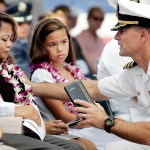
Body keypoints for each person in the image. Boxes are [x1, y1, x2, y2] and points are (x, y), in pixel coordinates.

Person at [27, 0, 150, 149]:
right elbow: (91, 89)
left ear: (143, 35)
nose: (116, 37)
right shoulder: (136, 72)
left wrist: (105, 121)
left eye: (122, 31)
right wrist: (30, 86)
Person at [0, 12, 86, 150]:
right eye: (4, 39)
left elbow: (28, 95)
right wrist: (22, 115)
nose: (10, 44)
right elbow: (5, 114)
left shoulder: (9, 67)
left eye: (11, 39)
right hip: (11, 130)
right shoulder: (41, 73)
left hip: (29, 128)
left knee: (77, 148)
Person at [30, 18, 96, 150]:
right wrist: (95, 120)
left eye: (64, 42)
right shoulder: (42, 74)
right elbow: (64, 116)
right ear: (42, 46)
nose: (60, 49)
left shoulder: (70, 69)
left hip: (86, 123)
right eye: (53, 44)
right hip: (67, 129)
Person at [76, 6, 106, 78]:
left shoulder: (100, 40)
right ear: (88, 18)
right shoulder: (80, 37)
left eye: (101, 19)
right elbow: (88, 59)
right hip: (88, 76)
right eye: (95, 18)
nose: (98, 22)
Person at [5, 1, 32, 78]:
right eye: (20, 23)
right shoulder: (8, 48)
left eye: (28, 22)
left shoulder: (30, 44)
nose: (25, 26)